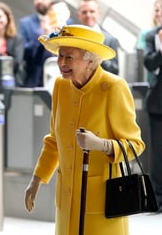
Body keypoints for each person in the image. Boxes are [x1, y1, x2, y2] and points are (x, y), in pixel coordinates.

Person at [24, 24, 146, 234]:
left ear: (90, 60)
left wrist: (102, 145)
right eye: (60, 55)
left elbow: (135, 145)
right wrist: (36, 180)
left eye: (69, 57)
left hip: (101, 202)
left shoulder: (113, 87)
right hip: (66, 200)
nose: (61, 63)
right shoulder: (61, 86)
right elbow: (54, 140)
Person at [19, 0, 56, 87]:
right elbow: (24, 52)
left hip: (57, 76)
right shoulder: (25, 23)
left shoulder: (64, 22)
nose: (39, 1)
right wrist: (40, 35)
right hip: (33, 79)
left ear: (52, 1)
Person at [143, 22, 162, 213]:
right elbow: (149, 63)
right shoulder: (152, 36)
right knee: (157, 155)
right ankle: (157, 199)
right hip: (158, 104)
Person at [77, 0, 120, 75]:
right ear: (78, 15)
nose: (88, 15)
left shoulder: (110, 40)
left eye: (92, 11)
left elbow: (114, 70)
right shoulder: (72, 39)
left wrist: (97, 55)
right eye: (84, 12)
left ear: (99, 13)